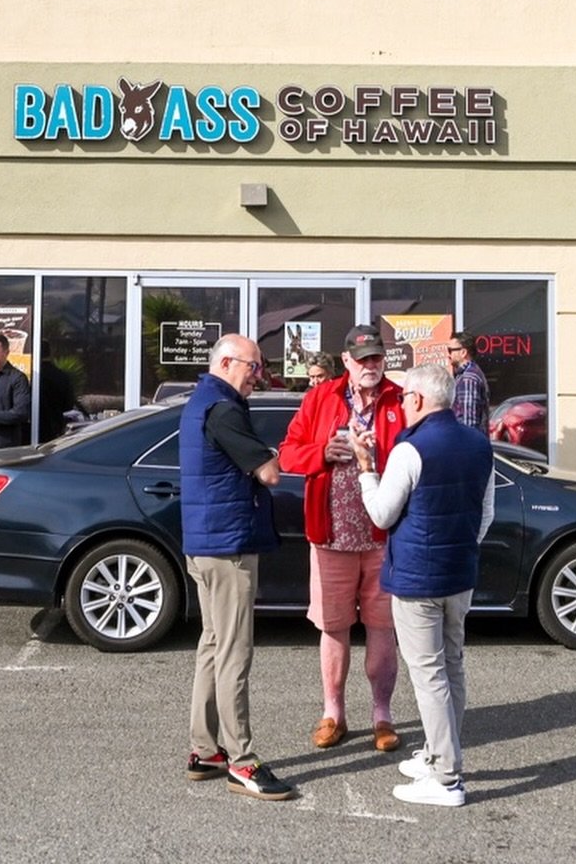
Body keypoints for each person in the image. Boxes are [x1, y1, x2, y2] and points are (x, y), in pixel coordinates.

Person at [352, 363, 495, 808]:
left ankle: (446, 777)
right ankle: (439, 754)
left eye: (404, 398)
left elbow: (381, 514)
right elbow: (485, 515)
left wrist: (364, 468)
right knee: (452, 664)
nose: (401, 404)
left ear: (416, 399)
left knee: (429, 674)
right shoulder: (479, 443)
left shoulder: (410, 449)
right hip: (460, 572)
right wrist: (461, 548)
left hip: (418, 577)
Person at [278, 325, 406, 753]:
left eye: (377, 357)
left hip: (383, 536)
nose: (372, 366)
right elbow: (288, 453)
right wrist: (322, 454)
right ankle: (333, 713)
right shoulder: (320, 397)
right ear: (347, 361)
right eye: (363, 359)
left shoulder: (400, 398)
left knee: (383, 629)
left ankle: (382, 715)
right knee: (333, 629)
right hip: (330, 536)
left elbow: (416, 457)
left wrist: (378, 456)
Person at [181, 334, 294, 802]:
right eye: (253, 365)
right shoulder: (223, 409)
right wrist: (299, 446)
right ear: (227, 362)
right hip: (227, 547)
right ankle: (242, 761)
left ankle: (206, 750)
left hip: (208, 543)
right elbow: (269, 473)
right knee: (233, 653)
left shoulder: (202, 402)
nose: (259, 374)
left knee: (213, 644)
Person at [447, 332, 490, 434]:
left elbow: (469, 422)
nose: (448, 355)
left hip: (467, 444)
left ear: (463, 352)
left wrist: (465, 446)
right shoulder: (467, 374)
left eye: (450, 350)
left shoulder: (468, 379)